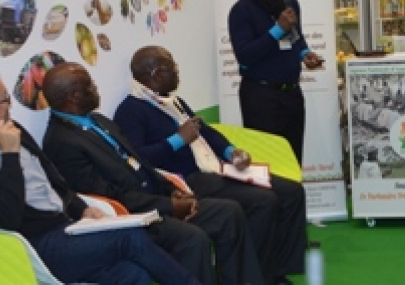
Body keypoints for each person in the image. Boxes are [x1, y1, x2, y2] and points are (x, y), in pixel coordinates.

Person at [0, 69, 198, 285]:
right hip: (36, 247)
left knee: (133, 274)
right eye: (5, 99)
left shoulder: (15, 130)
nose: (10, 105)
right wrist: (9, 156)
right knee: (130, 238)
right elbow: (7, 218)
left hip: (70, 226)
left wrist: (82, 208)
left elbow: (53, 177)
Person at [41, 62, 264, 285]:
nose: (95, 88)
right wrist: (169, 206)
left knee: (228, 213)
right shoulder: (61, 142)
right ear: (73, 96)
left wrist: (172, 190)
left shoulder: (99, 121)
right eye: (90, 86)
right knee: (193, 239)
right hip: (131, 216)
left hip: (156, 199)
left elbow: (142, 163)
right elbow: (108, 195)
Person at [114, 45, 307, 285]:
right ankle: (255, 278)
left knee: (291, 192)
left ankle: (277, 270)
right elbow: (139, 159)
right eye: (171, 67)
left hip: (216, 168)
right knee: (263, 201)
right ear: (155, 74)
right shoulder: (130, 111)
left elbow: (205, 131)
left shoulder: (173, 101)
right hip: (188, 180)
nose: (177, 72)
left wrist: (232, 152)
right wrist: (178, 140)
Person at [228, 0, 324, 163]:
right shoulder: (242, 10)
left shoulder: (290, 2)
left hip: (292, 94)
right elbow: (245, 55)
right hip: (261, 97)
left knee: (293, 160)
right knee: (267, 163)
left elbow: (296, 37)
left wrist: (305, 54)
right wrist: (277, 30)